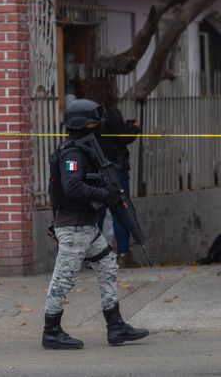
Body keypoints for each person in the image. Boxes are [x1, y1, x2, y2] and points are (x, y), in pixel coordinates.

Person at [42, 99, 149, 349]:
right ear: (82, 124)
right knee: (63, 279)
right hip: (74, 227)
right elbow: (72, 186)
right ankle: (51, 331)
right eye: (93, 122)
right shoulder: (72, 153)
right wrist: (104, 195)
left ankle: (116, 326)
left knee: (107, 267)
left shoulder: (84, 148)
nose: (97, 126)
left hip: (87, 227)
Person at [86, 77, 142, 268]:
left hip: (94, 171)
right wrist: (135, 128)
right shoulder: (109, 112)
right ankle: (124, 254)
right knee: (120, 212)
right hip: (114, 171)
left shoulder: (88, 115)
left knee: (97, 213)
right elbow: (123, 137)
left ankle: (93, 256)